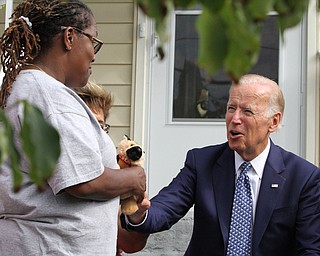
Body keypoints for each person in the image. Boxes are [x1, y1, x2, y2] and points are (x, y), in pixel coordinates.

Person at [0, 1, 146, 255]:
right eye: (93, 41)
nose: (94, 53)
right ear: (69, 37)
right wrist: (133, 178)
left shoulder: (29, 88)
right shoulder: (48, 96)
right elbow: (83, 182)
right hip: (53, 246)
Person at [119, 74, 320, 255]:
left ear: (274, 122)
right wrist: (138, 215)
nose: (235, 119)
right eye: (231, 108)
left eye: (247, 112)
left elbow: (310, 248)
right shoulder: (202, 162)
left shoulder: (303, 178)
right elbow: (165, 208)